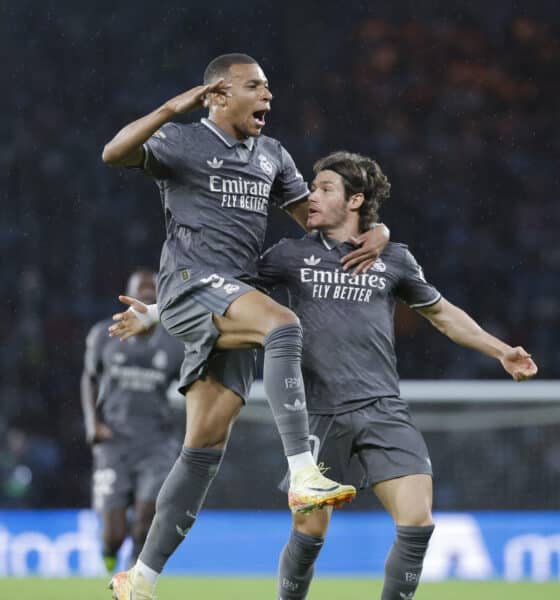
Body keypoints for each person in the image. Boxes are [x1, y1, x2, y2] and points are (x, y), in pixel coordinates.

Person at [113, 151, 537, 600]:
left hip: (382, 408)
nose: (309, 196)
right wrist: (157, 314)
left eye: (323, 189)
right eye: (311, 187)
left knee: (418, 522)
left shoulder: (393, 259)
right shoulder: (288, 255)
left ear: (355, 201)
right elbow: (226, 293)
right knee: (309, 534)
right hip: (318, 413)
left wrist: (501, 351)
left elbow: (444, 314)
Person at [101, 53, 389, 599]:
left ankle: (140, 579)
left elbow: (318, 221)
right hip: (192, 282)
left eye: (269, 88)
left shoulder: (272, 156)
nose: (268, 97)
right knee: (282, 324)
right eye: (254, 87)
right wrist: (170, 107)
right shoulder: (183, 141)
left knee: (203, 450)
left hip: (231, 300)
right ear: (218, 94)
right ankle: (304, 472)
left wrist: (377, 231)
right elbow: (113, 153)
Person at [81, 270, 185, 574]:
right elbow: (88, 377)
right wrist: (91, 423)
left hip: (156, 443)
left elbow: (191, 385)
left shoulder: (173, 341)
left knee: (144, 520)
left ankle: (132, 579)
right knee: (114, 533)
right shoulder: (104, 333)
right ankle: (110, 552)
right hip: (114, 442)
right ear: (128, 293)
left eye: (154, 290)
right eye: (142, 289)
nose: (149, 294)